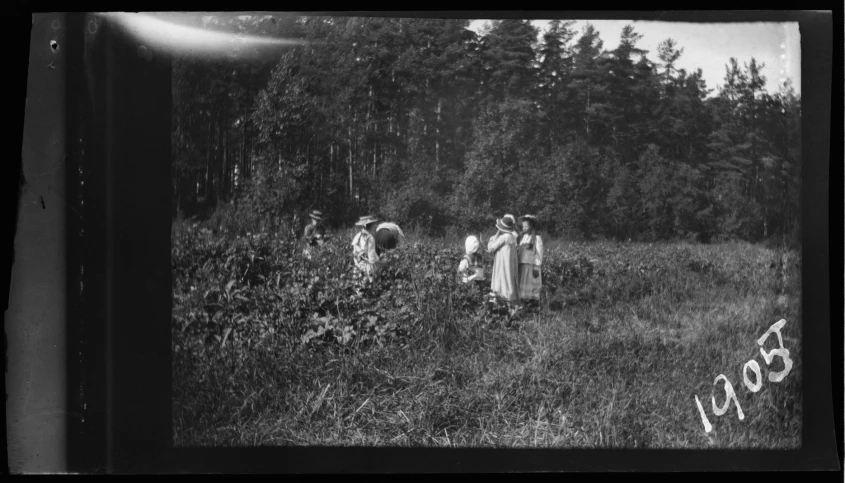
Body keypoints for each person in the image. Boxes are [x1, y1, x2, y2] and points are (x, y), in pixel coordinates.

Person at [487, 216, 520, 316]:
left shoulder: (503, 237)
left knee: (501, 282)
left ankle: (500, 309)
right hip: (509, 266)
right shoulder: (512, 237)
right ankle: (510, 308)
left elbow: (490, 248)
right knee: (508, 282)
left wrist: (496, 235)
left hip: (502, 265)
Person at [517, 215, 543, 302]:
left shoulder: (536, 238)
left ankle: (532, 303)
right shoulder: (522, 237)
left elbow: (539, 254)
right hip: (522, 265)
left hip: (531, 266)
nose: (524, 228)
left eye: (526, 226)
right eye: (523, 226)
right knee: (522, 287)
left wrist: (537, 266)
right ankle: (523, 302)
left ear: (531, 226)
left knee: (531, 287)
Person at [351, 215, 379, 282]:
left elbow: (354, 253)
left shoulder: (357, 236)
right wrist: (372, 269)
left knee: (359, 287)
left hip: (358, 266)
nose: (374, 226)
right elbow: (371, 255)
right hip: (367, 267)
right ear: (370, 226)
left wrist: (357, 264)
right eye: (373, 225)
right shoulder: (370, 238)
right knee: (368, 287)